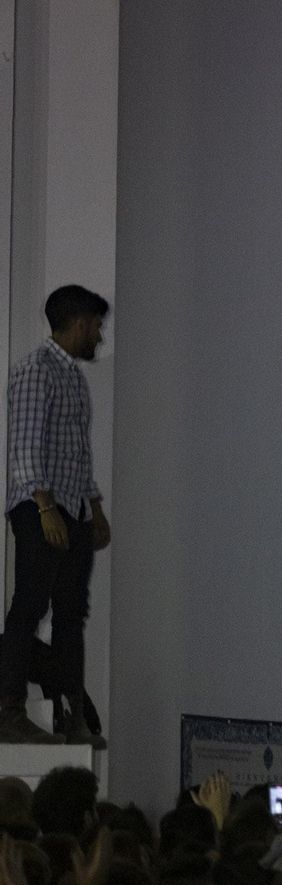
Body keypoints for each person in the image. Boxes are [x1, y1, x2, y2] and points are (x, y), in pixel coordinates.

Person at [0, 285, 111, 745]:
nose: (99, 337)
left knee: (71, 614)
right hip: (40, 508)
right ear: (79, 322)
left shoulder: (72, 377)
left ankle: (72, 717)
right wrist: (45, 508)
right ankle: (9, 712)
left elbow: (75, 455)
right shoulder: (35, 371)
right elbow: (24, 450)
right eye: (96, 327)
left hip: (72, 509)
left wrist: (95, 508)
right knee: (29, 607)